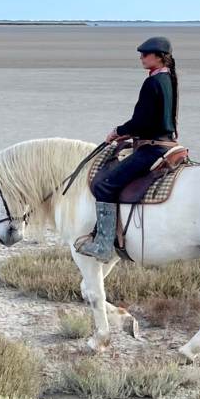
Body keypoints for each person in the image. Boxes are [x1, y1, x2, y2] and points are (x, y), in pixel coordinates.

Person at [76, 36, 179, 260]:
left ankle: (103, 245)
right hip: (168, 143)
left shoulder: (152, 82)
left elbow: (141, 121)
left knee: (105, 186)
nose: (141, 57)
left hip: (152, 149)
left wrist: (118, 131)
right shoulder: (168, 79)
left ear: (159, 57)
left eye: (145, 54)